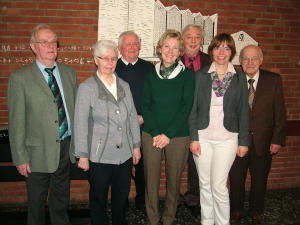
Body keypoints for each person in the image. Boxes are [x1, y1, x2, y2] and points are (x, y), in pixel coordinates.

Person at [7, 24, 77, 225]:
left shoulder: (69, 73)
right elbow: (16, 121)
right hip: (36, 153)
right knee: (36, 206)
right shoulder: (19, 78)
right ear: (33, 47)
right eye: (43, 42)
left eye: (53, 41)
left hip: (65, 148)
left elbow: (73, 111)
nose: (50, 46)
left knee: (61, 202)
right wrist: (20, 157)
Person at [74, 40, 141, 225]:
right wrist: (83, 155)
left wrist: (136, 146)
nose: (110, 63)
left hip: (125, 155)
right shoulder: (87, 88)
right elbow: (80, 123)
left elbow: (132, 117)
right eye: (105, 59)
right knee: (98, 200)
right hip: (99, 156)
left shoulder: (124, 86)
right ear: (96, 60)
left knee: (121, 199)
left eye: (113, 58)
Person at [188, 33, 249, 225]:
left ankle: (223, 222)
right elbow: (193, 109)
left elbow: (243, 112)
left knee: (218, 185)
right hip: (203, 137)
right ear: (212, 51)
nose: (221, 52)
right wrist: (194, 138)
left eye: (226, 48)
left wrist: (243, 142)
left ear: (232, 52)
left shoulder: (239, 78)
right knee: (204, 184)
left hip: (228, 139)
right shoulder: (201, 75)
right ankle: (207, 221)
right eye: (217, 47)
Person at [141, 29, 195, 225]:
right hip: (151, 135)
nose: (170, 51)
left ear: (180, 51)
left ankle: (169, 217)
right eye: (167, 46)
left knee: (174, 180)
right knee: (151, 179)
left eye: (175, 47)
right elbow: (145, 106)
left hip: (178, 136)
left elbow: (186, 107)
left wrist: (168, 134)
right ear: (160, 49)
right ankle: (153, 218)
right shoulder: (151, 74)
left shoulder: (187, 75)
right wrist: (156, 132)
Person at [229, 45, 286, 225]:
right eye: (246, 58)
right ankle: (236, 209)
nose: (250, 62)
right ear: (240, 61)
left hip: (264, 141)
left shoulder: (273, 80)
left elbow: (280, 112)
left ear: (261, 60)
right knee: (236, 179)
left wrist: (277, 140)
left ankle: (256, 211)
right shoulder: (233, 80)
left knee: (260, 179)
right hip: (237, 141)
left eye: (254, 58)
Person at [115, 30, 154, 210]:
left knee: (143, 169)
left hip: (143, 125)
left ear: (139, 47)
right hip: (119, 127)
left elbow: (155, 97)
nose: (132, 47)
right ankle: (121, 201)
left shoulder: (149, 68)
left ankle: (141, 202)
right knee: (121, 167)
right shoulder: (111, 67)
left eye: (135, 44)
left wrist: (144, 116)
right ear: (120, 48)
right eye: (128, 44)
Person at [181, 24, 211, 216]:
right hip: (177, 121)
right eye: (189, 37)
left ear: (202, 40)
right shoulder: (172, 58)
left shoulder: (210, 61)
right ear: (183, 39)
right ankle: (173, 199)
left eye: (197, 37)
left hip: (201, 122)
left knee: (196, 164)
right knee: (174, 163)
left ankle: (194, 199)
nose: (193, 41)